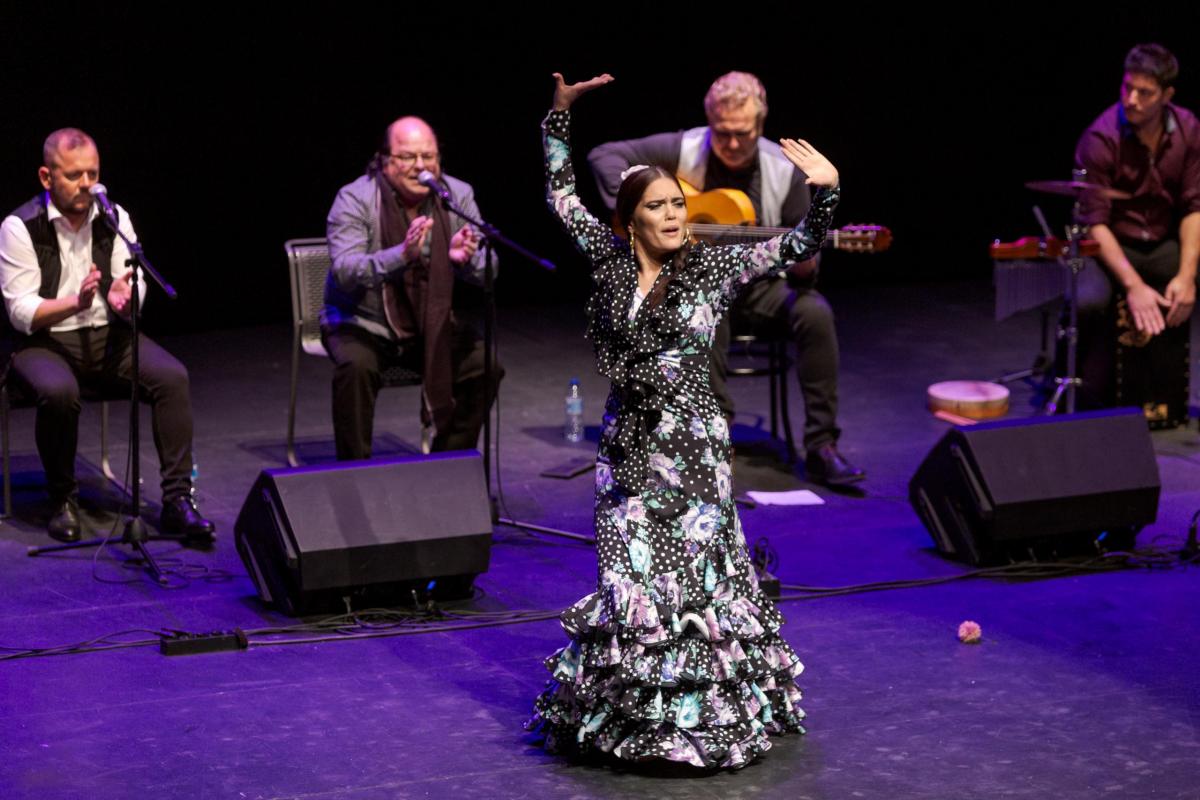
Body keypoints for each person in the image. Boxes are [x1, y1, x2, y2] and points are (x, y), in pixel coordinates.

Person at [528, 73, 840, 770]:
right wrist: (559, 117)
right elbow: (561, 196)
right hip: (629, 449)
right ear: (632, 215)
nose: (674, 215)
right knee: (631, 581)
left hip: (693, 451)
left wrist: (825, 193)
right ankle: (639, 720)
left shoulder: (712, 270)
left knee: (697, 583)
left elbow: (792, 247)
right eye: (660, 206)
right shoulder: (610, 266)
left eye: (678, 204)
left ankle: (699, 723)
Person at [588, 71, 863, 485]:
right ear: (709, 121)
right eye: (723, 133)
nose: (732, 144)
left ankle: (822, 445)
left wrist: (807, 261)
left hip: (762, 288)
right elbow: (602, 156)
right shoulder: (684, 148)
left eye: (743, 133)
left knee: (816, 313)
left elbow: (804, 259)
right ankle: (715, 438)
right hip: (694, 287)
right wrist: (633, 206)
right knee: (705, 312)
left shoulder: (785, 170)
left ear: (761, 124)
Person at [0, 128, 213, 543]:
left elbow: (131, 281)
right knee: (59, 392)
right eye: (75, 175)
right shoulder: (20, 226)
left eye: (92, 174)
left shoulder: (114, 217)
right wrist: (73, 305)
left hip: (105, 338)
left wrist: (126, 300)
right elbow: (20, 311)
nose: (86, 185)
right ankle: (63, 498)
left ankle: (177, 501)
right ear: (47, 177)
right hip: (44, 343)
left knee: (173, 378)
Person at [323, 115, 500, 461]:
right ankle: (354, 474)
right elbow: (344, 271)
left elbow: (490, 268)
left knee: (486, 366)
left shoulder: (456, 195)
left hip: (429, 323)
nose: (421, 167)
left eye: (429, 157)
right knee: (355, 369)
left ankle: (446, 464)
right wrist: (400, 256)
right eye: (408, 157)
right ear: (385, 161)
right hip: (363, 322)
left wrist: (465, 260)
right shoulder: (355, 199)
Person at [1073, 43, 1200, 406]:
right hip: (1109, 242)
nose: (1131, 100)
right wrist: (1133, 284)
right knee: (1090, 300)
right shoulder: (1100, 137)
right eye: (1127, 88)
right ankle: (1090, 388)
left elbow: (1194, 206)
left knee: (1184, 281)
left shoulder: (1189, 131)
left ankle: (1160, 394)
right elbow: (1095, 223)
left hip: (1158, 240)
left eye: (1145, 93)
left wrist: (1187, 278)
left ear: (1167, 96)